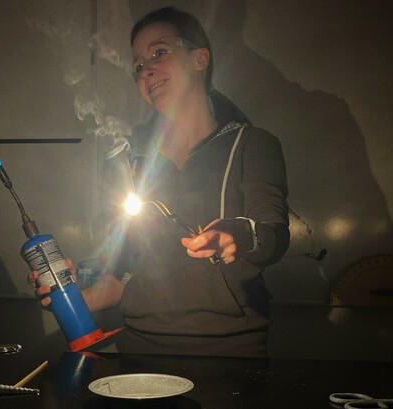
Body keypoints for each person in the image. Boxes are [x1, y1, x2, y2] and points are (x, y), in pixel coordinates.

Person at [29, 6, 289, 357]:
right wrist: (65, 296)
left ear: (200, 59)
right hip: (140, 350)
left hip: (231, 350)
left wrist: (241, 234)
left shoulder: (252, 144)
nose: (146, 70)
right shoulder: (135, 162)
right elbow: (124, 275)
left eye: (160, 53)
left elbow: (275, 232)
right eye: (137, 65)